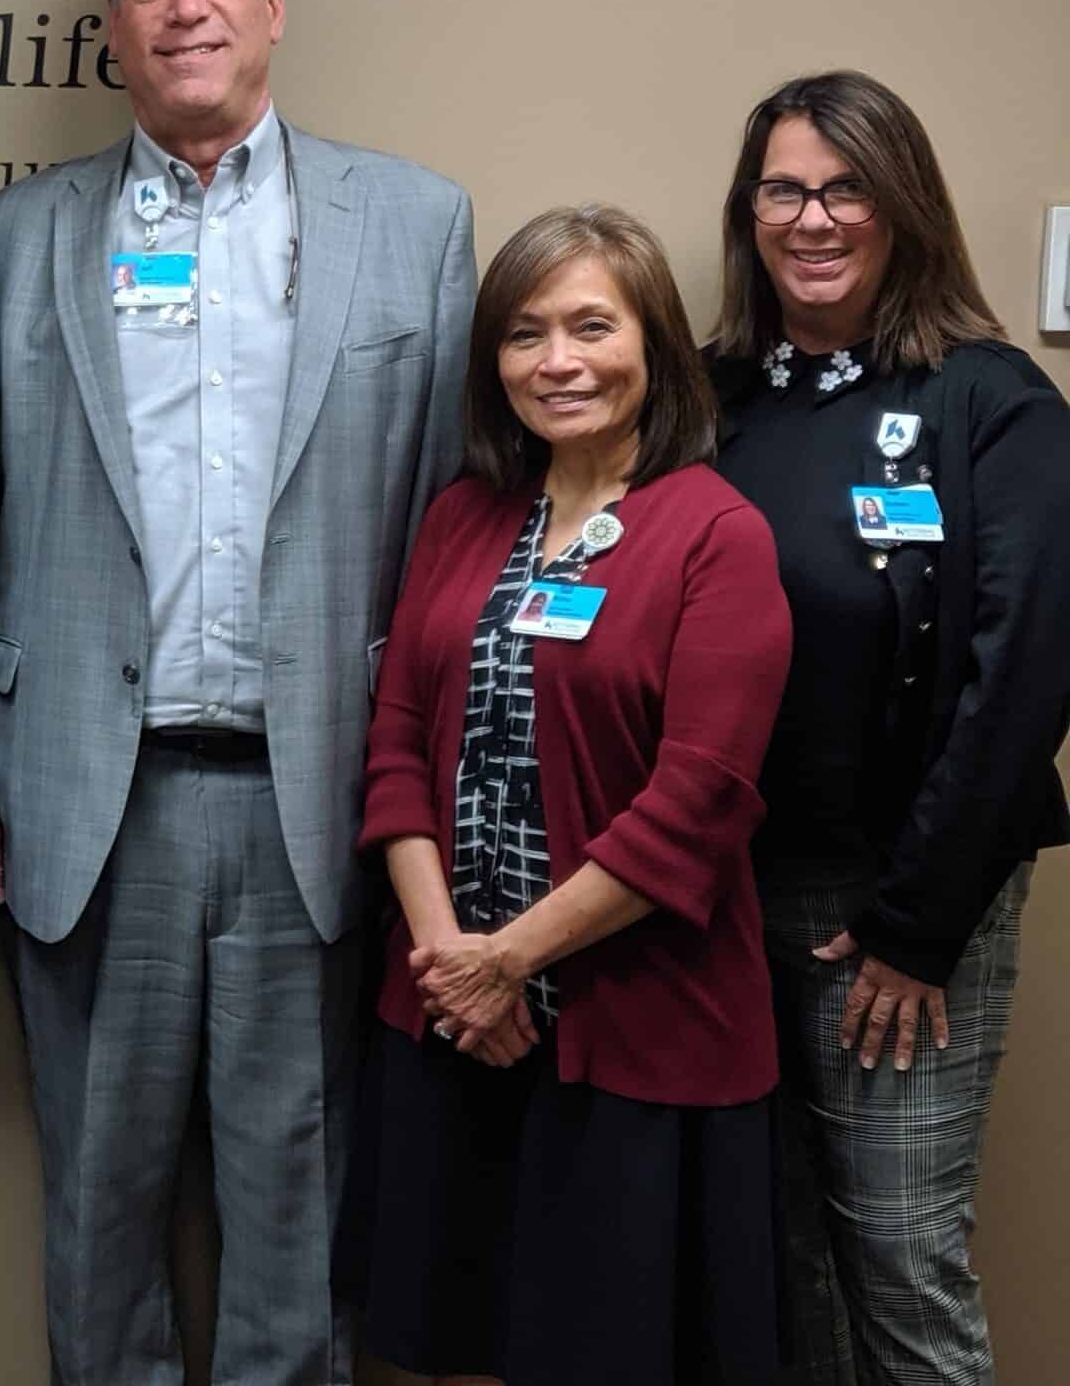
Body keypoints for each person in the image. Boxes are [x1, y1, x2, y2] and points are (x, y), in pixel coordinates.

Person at [0, 0, 475, 1385]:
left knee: (296, 1220)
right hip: (84, 804)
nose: (188, 8)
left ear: (274, 6)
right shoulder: (12, 238)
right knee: (98, 1223)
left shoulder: (414, 224)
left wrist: (415, 798)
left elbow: (448, 538)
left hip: (318, 804)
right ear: (113, 26)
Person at [359, 204, 791, 1386]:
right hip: (449, 1019)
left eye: (591, 326)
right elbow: (394, 742)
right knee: (448, 1346)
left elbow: (697, 801)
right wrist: (451, 961)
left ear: (653, 341)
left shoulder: (715, 533)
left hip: (637, 1031)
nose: (556, 361)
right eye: (523, 333)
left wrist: (513, 962)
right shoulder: (463, 515)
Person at [706, 70, 1070, 1386]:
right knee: (779, 1249)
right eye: (786, 188)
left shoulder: (992, 401)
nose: (814, 217)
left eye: (846, 186)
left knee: (899, 1251)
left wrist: (917, 927)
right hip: (728, 901)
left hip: (912, 906)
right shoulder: (712, 405)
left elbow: (1023, 675)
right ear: (750, 212)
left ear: (901, 204)